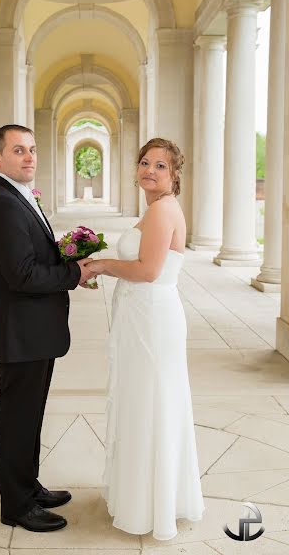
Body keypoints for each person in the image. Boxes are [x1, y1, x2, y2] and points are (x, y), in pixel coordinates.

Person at [0, 124, 96, 533]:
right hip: (20, 333)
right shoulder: (3, 203)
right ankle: (17, 505)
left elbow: (29, 253)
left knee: (29, 416)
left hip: (34, 331)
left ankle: (28, 486)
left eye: (32, 149)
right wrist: (72, 272)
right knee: (16, 419)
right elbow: (22, 275)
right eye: (17, 150)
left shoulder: (17, 196)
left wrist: (64, 253)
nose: (28, 157)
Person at [85, 138, 205, 540]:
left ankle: (150, 504)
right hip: (145, 316)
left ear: (174, 175)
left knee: (150, 402)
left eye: (160, 166)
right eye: (144, 162)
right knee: (147, 400)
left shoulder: (163, 210)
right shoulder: (156, 209)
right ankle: (152, 495)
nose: (149, 170)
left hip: (151, 318)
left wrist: (101, 264)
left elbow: (149, 270)